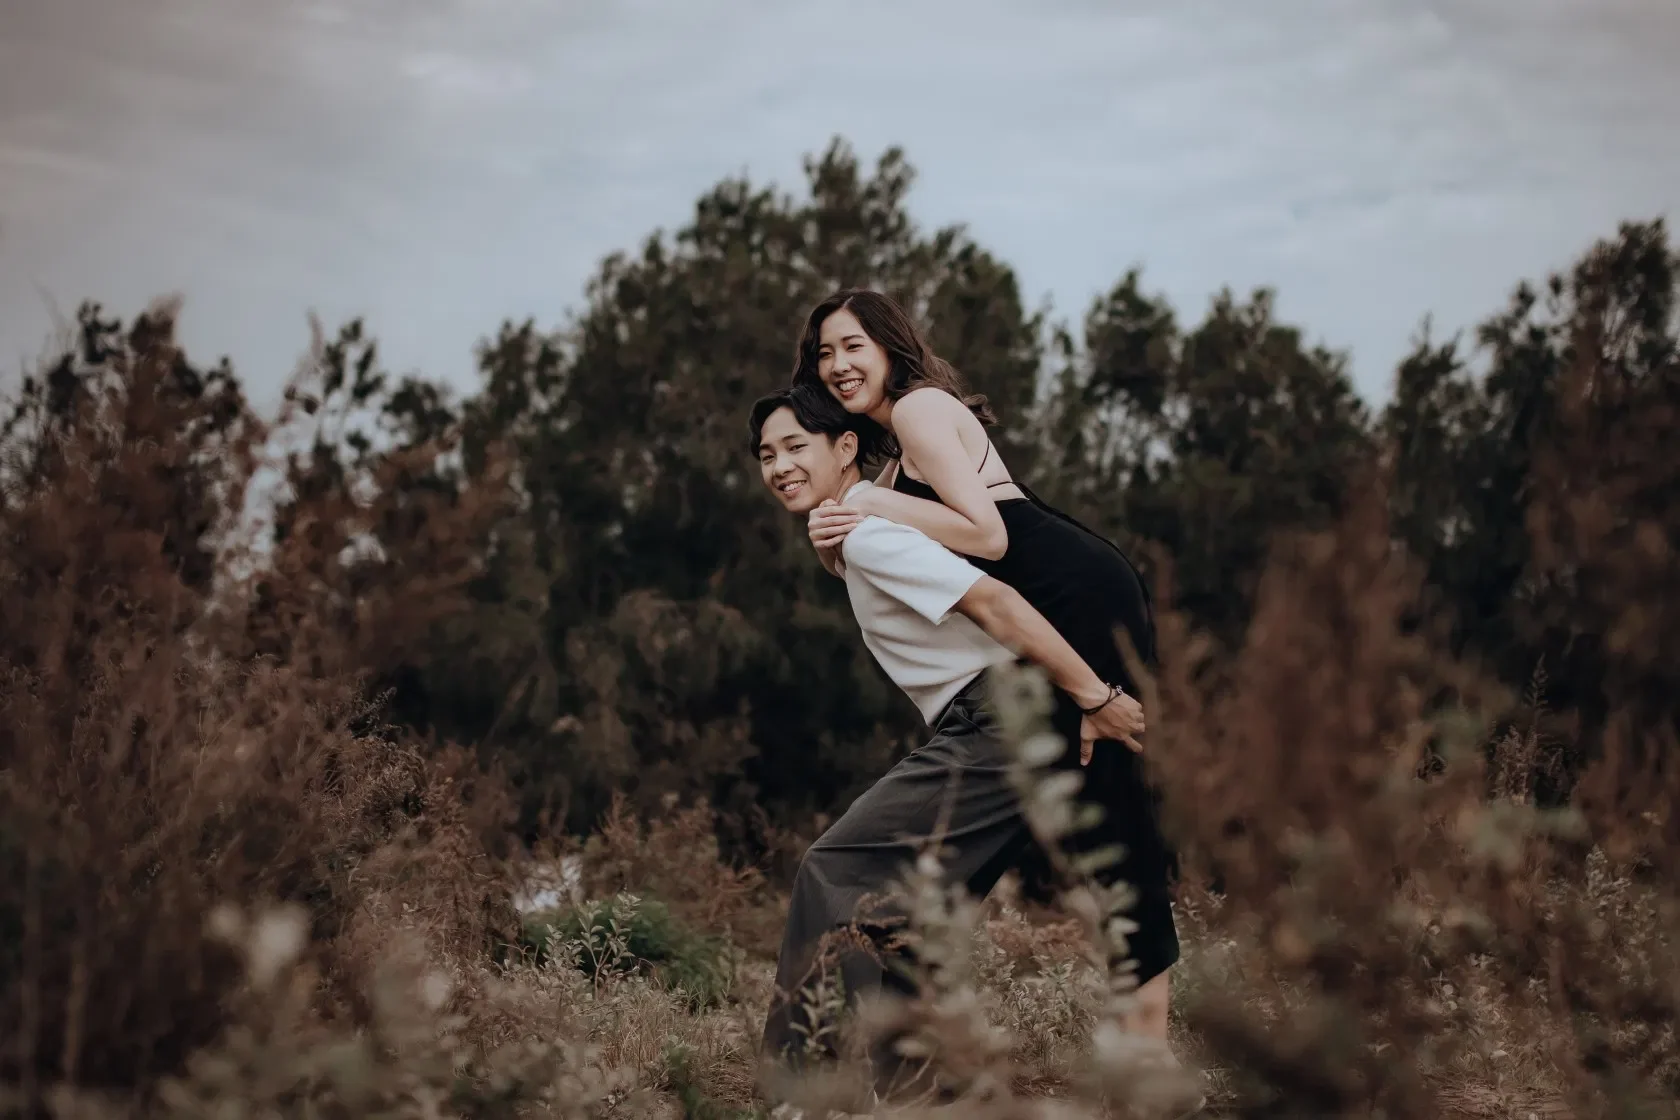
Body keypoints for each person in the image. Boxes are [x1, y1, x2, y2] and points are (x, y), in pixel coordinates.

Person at [790, 288, 1180, 1041]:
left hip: (1079, 597)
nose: (837, 364)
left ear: (890, 346)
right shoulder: (895, 459)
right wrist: (842, 526)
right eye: (824, 353)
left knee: (1114, 818)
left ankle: (1149, 1052)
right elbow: (884, 560)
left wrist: (867, 502)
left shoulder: (917, 409)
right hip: (1058, 607)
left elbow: (988, 536)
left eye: (853, 345)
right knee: (1094, 821)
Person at [749, 384, 1144, 1097]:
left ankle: (806, 1095)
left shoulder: (870, 531)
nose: (779, 466)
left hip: (1001, 724)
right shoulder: (858, 530)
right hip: (1008, 722)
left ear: (845, 447)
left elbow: (996, 602)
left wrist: (1096, 696)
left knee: (836, 870)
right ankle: (919, 1098)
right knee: (910, 914)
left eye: (795, 447)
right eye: (766, 455)